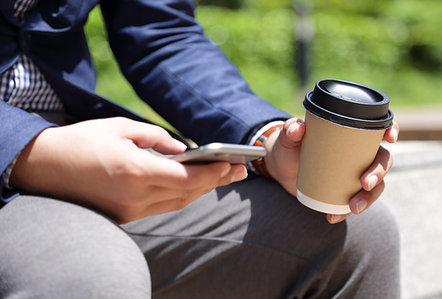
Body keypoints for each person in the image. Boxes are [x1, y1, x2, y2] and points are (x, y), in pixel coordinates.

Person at [0, 0, 400, 298]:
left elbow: (160, 33)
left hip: (80, 138)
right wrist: (27, 148)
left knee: (357, 231)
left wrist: (266, 136)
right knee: (87, 274)